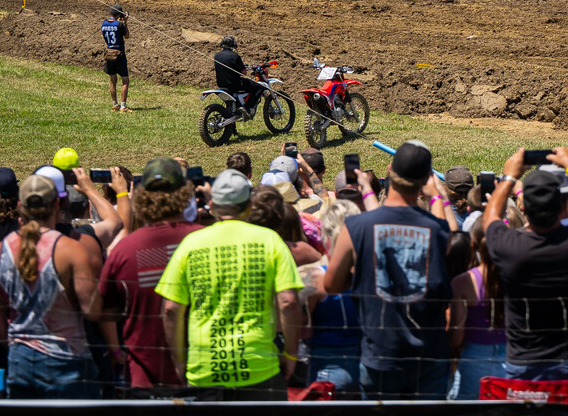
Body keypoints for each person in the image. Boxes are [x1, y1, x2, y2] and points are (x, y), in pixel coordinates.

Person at [313, 139, 459, 399]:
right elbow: (449, 235)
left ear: (389, 170)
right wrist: (436, 196)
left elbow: (331, 285)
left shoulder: (356, 227)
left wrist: (361, 272)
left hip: (380, 355)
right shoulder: (438, 230)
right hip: (428, 356)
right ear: (425, 180)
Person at [157, 168, 307, 399]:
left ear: (213, 206)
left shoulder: (190, 244)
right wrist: (290, 354)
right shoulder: (270, 240)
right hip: (260, 366)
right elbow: (288, 302)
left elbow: (170, 309)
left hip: (205, 367)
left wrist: (178, 360)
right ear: (248, 206)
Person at [483, 147, 568, 402]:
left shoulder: (510, 247)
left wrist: (509, 177)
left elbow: (491, 217)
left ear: (524, 208)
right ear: (564, 204)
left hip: (525, 363)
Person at [93, 157, 205, 392]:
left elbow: (106, 312)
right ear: (184, 193)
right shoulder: (207, 241)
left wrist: (115, 351)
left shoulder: (124, 250)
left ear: (141, 195)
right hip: (203, 376)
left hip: (144, 379)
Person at [0, 173, 99, 397]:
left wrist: (14, 345)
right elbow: (92, 310)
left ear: (20, 206)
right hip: (67, 361)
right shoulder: (71, 250)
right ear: (58, 204)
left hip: (19, 361)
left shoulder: (0, 250)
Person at [102, 4, 131, 112]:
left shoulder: (104, 24)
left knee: (112, 80)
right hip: (119, 55)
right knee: (125, 81)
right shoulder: (119, 25)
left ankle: (115, 104)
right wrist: (125, 22)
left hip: (109, 54)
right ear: (119, 14)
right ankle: (123, 106)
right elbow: (126, 36)